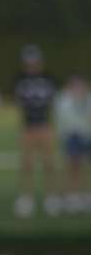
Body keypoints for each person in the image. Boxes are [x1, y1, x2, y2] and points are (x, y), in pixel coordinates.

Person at [13, 45, 59, 217]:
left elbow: (52, 103)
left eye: (34, 61)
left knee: (49, 163)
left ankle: (51, 197)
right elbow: (18, 104)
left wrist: (52, 127)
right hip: (27, 126)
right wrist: (20, 128)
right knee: (27, 165)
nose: (32, 65)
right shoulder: (20, 79)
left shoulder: (48, 78)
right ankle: (26, 198)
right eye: (29, 62)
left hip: (44, 125)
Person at [54, 76, 91, 213]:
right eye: (75, 86)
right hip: (71, 137)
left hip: (86, 136)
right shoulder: (63, 100)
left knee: (85, 167)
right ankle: (71, 195)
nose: (78, 89)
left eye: (81, 86)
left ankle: (85, 195)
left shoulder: (88, 99)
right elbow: (64, 121)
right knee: (72, 166)